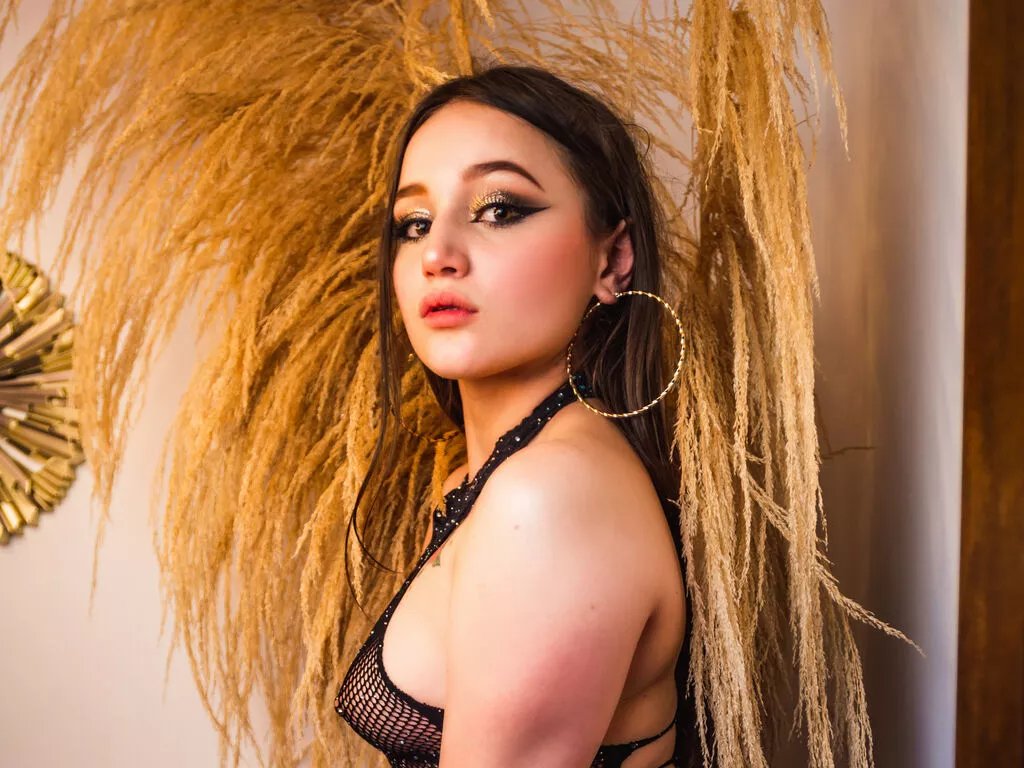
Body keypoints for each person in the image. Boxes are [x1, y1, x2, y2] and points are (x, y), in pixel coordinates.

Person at [334, 64, 696, 768]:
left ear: (613, 260)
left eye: (498, 209)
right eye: (414, 223)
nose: (437, 255)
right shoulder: (487, 481)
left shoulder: (549, 499)